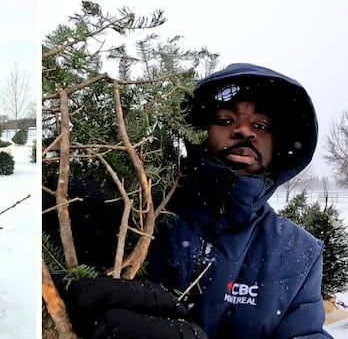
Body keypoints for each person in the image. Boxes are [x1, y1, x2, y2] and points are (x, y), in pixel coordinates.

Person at [44, 63, 332, 338]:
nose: (244, 131)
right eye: (225, 120)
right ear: (198, 132)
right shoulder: (141, 213)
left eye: (261, 125)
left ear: (278, 145)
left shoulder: (297, 254)